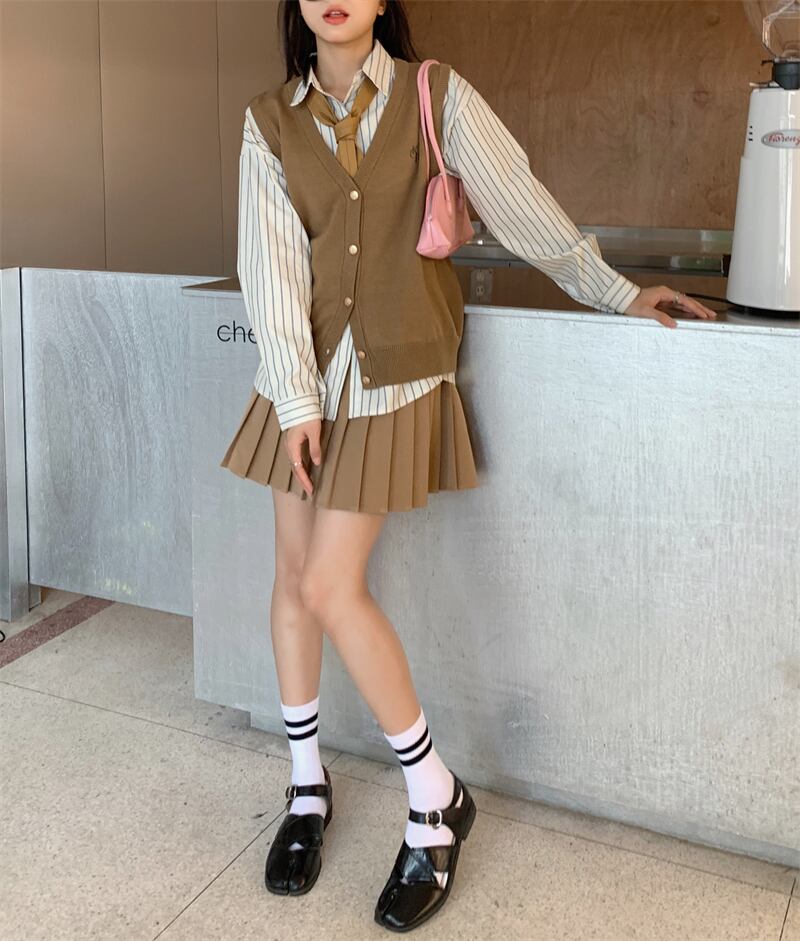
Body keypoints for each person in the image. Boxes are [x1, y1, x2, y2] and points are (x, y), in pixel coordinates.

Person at [220, 0, 718, 932]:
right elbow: (271, 265)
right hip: (304, 387)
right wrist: (294, 397)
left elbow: (521, 203)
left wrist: (614, 291)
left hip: (397, 379)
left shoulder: (433, 94)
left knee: (328, 585)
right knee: (291, 579)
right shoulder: (268, 122)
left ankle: (433, 795)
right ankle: (306, 785)